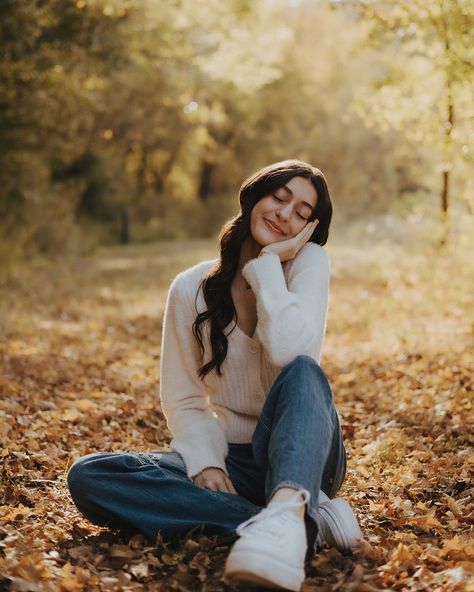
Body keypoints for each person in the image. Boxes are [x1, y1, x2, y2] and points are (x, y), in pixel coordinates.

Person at [67, 159, 362, 591]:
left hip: (306, 451)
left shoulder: (308, 265)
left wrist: (267, 269)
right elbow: (185, 398)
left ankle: (291, 500)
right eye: (279, 198)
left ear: (309, 229)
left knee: (302, 371)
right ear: (253, 197)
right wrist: (206, 461)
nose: (284, 213)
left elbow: (290, 351)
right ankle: (304, 521)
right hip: (234, 459)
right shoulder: (190, 289)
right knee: (91, 476)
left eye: (301, 212)